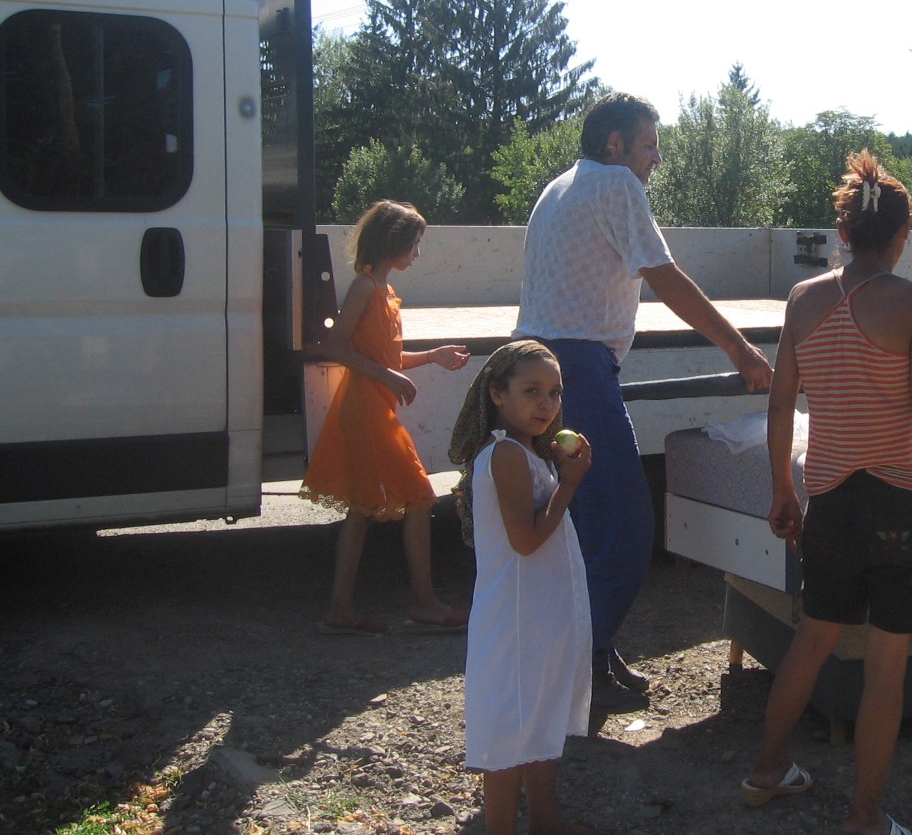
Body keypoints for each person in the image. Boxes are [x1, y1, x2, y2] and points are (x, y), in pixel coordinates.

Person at [743, 150, 912, 835]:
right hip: (903, 499)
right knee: (886, 666)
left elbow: (782, 404)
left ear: (844, 233)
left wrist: (781, 489)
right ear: (904, 232)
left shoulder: (803, 299)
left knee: (812, 640)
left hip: (829, 496)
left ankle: (766, 770)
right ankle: (865, 817)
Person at [514, 91, 773, 711]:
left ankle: (592, 652)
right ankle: (578, 672)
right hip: (578, 370)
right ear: (616, 143)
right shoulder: (616, 183)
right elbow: (665, 277)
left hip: (539, 367)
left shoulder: (560, 186)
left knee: (581, 526)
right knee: (626, 530)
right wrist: (740, 350)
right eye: (650, 145)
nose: (656, 158)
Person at [300, 199, 472, 635]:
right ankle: (423, 601)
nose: (418, 252)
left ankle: (341, 607)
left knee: (363, 509)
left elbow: (387, 357)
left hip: (373, 405)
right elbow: (335, 347)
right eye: (414, 243)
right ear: (393, 243)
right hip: (365, 408)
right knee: (418, 497)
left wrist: (432, 356)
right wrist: (389, 377)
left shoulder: (384, 291)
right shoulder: (365, 288)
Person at [449, 340, 596, 835]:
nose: (546, 404)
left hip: (537, 615)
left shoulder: (530, 452)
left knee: (540, 718)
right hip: (515, 619)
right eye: (531, 391)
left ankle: (547, 823)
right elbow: (526, 541)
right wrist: (570, 484)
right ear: (497, 393)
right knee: (509, 733)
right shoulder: (506, 454)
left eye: (554, 393)